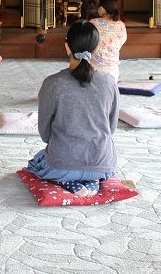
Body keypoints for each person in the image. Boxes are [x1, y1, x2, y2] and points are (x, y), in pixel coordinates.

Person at [26, 20, 119, 196]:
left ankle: (69, 181)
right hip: (103, 165)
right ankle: (92, 181)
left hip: (62, 165)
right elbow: (111, 127)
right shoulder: (109, 82)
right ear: (96, 49)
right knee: (89, 167)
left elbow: (45, 133)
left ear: (67, 47)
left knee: (36, 163)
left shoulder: (53, 83)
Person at [88, 0, 128, 81]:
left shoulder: (93, 23)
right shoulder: (121, 25)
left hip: (94, 72)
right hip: (113, 73)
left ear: (102, 8)